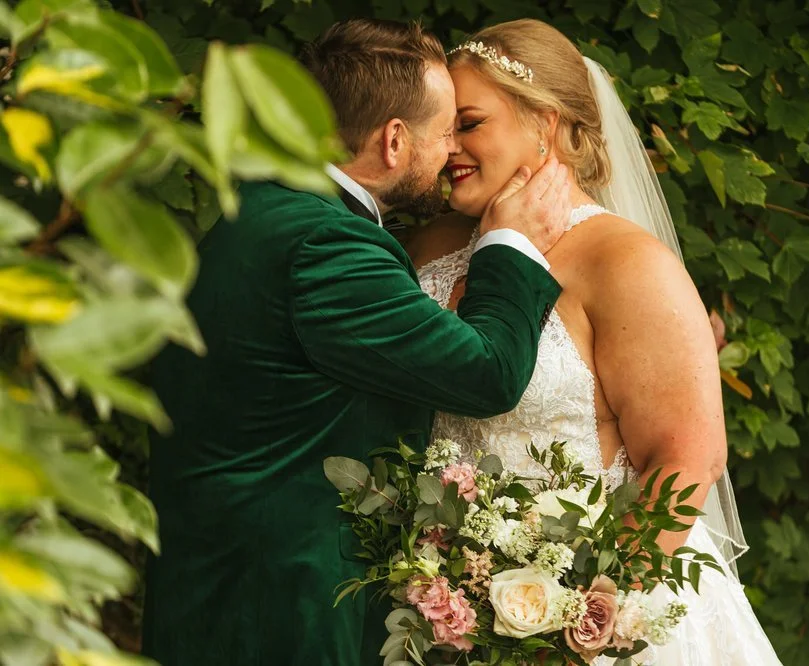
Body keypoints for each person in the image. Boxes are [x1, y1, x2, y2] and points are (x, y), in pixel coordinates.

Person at [142, 18, 573, 666]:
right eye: (448, 126)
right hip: (279, 616)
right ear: (396, 140)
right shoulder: (327, 246)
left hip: (219, 594)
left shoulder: (266, 208)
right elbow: (488, 373)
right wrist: (510, 243)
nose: (454, 146)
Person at [408, 19, 783, 664]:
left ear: (544, 124)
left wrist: (582, 616)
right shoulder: (429, 246)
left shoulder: (625, 263)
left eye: (468, 124)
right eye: (444, 130)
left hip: (595, 616)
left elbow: (686, 459)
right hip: (440, 615)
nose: (447, 149)